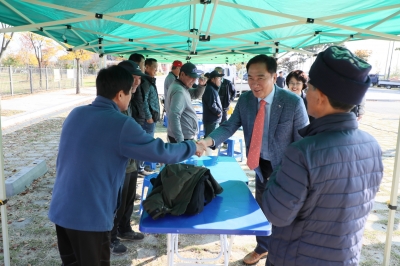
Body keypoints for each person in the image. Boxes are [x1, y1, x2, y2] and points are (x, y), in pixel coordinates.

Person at [48, 65, 205, 266]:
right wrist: (191, 146)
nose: (131, 96)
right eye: (131, 92)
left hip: (62, 211)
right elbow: (163, 152)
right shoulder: (121, 124)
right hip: (89, 217)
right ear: (120, 94)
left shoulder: (75, 114)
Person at [262, 46, 383, 266]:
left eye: (310, 88)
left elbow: (276, 214)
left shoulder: (303, 152)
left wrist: (274, 178)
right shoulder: (372, 145)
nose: (306, 94)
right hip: (345, 257)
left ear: (322, 97)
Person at [197, 54, 309, 265]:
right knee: (263, 208)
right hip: (260, 165)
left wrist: (297, 175)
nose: (254, 84)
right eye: (250, 78)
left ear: (274, 77)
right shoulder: (247, 100)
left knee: (285, 213)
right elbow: (229, 126)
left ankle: (283, 252)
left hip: (287, 168)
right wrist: (207, 141)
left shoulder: (292, 102)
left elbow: (302, 142)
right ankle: (263, 247)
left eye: (261, 78)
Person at [109, 60, 145, 255]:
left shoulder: (131, 96)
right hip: (120, 161)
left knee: (129, 197)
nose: (137, 82)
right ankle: (111, 237)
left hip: (132, 160)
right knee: (117, 201)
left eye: (139, 78)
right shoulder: (115, 99)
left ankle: (125, 228)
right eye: (134, 78)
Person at [166, 62, 208, 143]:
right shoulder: (179, 90)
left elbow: (195, 95)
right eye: (191, 77)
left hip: (182, 135)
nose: (194, 80)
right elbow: (174, 116)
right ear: (182, 74)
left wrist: (201, 85)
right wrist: (180, 140)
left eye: (195, 77)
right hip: (182, 137)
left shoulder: (181, 86)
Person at [137, 58, 161, 176]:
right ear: (146, 67)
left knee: (147, 142)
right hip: (148, 119)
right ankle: (140, 168)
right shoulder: (145, 81)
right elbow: (143, 101)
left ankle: (142, 166)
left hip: (152, 117)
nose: (156, 70)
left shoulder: (149, 80)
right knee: (145, 143)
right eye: (154, 67)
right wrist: (148, 116)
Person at [202, 70, 224, 137]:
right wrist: (218, 112)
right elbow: (212, 105)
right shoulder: (210, 89)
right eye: (218, 78)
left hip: (213, 120)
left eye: (220, 78)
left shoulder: (212, 88)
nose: (220, 80)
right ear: (213, 79)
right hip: (211, 121)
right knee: (210, 141)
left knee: (212, 141)